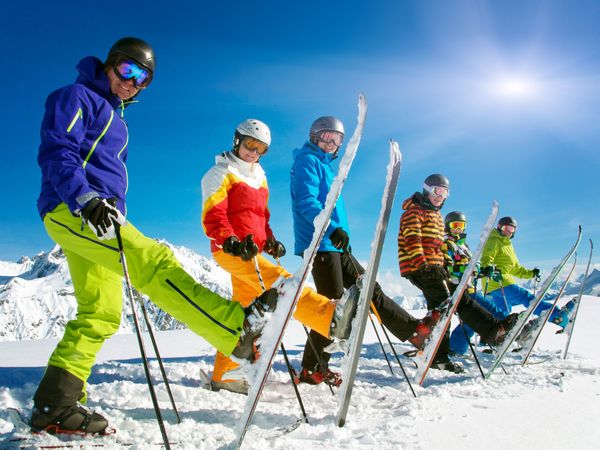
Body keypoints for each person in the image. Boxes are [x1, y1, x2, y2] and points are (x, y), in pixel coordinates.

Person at [32, 37, 269, 434]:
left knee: (101, 314)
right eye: (128, 70)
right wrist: (85, 199)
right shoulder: (75, 96)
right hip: (73, 209)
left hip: (98, 215)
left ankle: (56, 404)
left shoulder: (116, 118)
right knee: (155, 264)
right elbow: (58, 150)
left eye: (143, 79)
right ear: (110, 63)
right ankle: (234, 328)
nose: (133, 82)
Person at [201, 119, 357, 394]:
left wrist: (269, 240)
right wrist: (232, 241)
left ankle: (224, 374)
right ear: (237, 140)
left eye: (261, 148)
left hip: (253, 251)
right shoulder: (219, 173)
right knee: (284, 285)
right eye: (250, 144)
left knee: (241, 314)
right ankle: (328, 319)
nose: (254, 152)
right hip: (232, 251)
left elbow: (261, 217)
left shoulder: (259, 176)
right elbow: (214, 216)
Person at [290, 116, 427, 385]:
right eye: (325, 137)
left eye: (336, 139)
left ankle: (415, 331)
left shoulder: (325, 166)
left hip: (336, 244)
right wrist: (331, 230)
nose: (330, 143)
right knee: (334, 308)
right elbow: (307, 203)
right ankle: (311, 368)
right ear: (313, 137)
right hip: (321, 244)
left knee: (368, 288)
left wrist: (341, 236)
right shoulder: (307, 162)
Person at [397, 174, 519, 372]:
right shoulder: (414, 212)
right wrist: (423, 265)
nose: (440, 195)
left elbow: (437, 250)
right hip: (420, 268)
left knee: (444, 308)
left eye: (444, 192)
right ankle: (493, 330)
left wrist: (440, 267)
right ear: (426, 189)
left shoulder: (435, 214)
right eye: (437, 190)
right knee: (455, 302)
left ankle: (438, 355)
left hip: (435, 269)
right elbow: (412, 241)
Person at [479, 216, 576, 343]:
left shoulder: (507, 245)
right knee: (528, 300)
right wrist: (487, 267)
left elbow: (515, 269)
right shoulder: (495, 240)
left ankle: (496, 339)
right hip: (500, 281)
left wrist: (531, 274)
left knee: (502, 315)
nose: (509, 231)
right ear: (499, 227)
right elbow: (487, 256)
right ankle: (557, 316)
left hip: (495, 285)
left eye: (512, 229)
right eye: (506, 228)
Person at [441, 212, 506, 355]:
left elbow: (473, 267)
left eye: (462, 225)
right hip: (460, 289)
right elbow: (448, 268)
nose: (459, 229)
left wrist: (484, 270)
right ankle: (510, 335)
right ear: (448, 226)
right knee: (494, 312)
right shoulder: (446, 244)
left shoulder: (463, 246)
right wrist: (470, 270)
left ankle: (456, 348)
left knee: (472, 322)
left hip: (470, 288)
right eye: (455, 225)